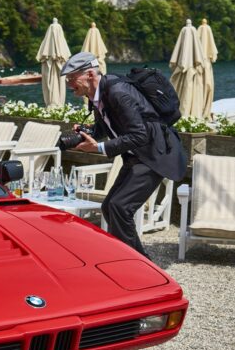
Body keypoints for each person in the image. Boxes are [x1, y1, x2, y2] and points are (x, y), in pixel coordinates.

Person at [62, 51, 186, 259]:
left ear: (90, 74)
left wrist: (98, 148)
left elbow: (140, 135)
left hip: (153, 154)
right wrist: (87, 132)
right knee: (109, 207)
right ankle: (132, 260)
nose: (69, 84)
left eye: (72, 78)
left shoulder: (117, 92)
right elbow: (106, 127)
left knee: (120, 207)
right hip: (136, 156)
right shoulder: (99, 95)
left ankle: (136, 264)